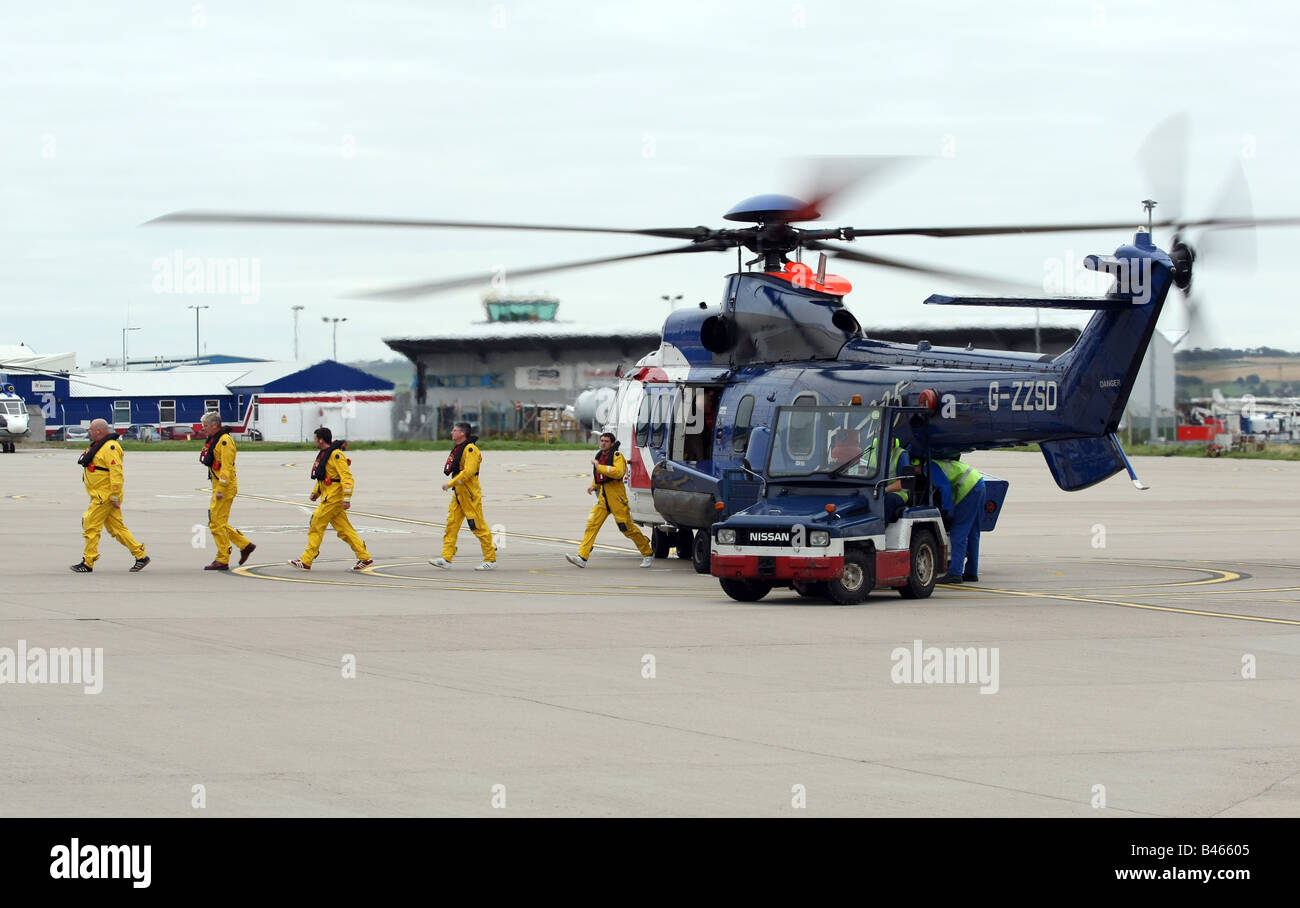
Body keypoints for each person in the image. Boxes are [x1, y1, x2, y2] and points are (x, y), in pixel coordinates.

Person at [565, 432, 654, 569]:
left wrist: (599, 467)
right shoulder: (600, 456)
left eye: (606, 441)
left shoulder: (617, 456)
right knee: (592, 525)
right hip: (604, 498)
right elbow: (600, 476)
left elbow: (618, 472)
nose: (603, 443)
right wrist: (594, 485)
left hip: (617, 499)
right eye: (602, 440)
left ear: (612, 443)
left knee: (627, 529)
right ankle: (582, 557)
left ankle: (647, 552)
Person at [70, 418, 149, 572]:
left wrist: (114, 496)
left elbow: (116, 474)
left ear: (99, 431)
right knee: (116, 528)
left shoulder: (110, 447)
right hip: (100, 494)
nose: (89, 432)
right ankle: (140, 555)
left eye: (91, 430)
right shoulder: (100, 446)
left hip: (105, 496)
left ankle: (88, 561)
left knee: (90, 524)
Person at [289, 427, 373, 571]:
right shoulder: (325, 454)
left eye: (315, 438)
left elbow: (346, 478)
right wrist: (315, 492)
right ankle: (364, 557)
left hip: (333, 498)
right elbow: (324, 477)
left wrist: (347, 498)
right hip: (329, 496)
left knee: (316, 522)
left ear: (321, 440)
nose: (314, 441)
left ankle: (307, 559)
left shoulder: (336, 455)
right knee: (345, 529)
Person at [429, 422, 497, 571]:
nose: (451, 433)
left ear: (462, 433)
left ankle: (490, 558)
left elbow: (469, 471)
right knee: (451, 524)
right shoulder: (459, 448)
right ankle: (446, 558)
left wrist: (450, 483)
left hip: (470, 495)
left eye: (454, 430)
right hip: (459, 494)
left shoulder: (470, 449)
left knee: (478, 527)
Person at [199, 411, 255, 571]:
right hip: (218, 486)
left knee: (216, 524)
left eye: (206, 425)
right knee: (217, 522)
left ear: (215, 425)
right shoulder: (214, 439)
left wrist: (221, 488)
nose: (204, 428)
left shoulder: (225, 441)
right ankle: (245, 545)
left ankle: (223, 558)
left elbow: (227, 466)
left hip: (225, 487)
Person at [935, 457, 987, 584]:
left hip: (969, 488)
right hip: (979, 483)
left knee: (959, 532)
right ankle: (971, 572)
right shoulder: (938, 462)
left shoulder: (929, 467)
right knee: (973, 533)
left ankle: (955, 573)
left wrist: (946, 510)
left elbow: (945, 487)